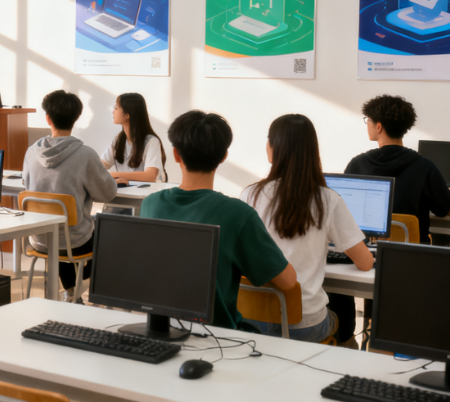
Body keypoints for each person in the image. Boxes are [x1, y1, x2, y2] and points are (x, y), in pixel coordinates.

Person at [140, 110, 297, 331]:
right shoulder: (238, 214)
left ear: (175, 154)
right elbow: (288, 281)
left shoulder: (150, 204)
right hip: (217, 335)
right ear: (224, 156)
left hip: (160, 327)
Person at [240, 114, 374, 343]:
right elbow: (366, 263)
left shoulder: (249, 194)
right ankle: (347, 355)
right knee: (342, 316)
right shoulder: (327, 199)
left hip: (253, 319)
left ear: (272, 148)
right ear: (312, 151)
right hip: (304, 325)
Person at [329, 94, 450, 344]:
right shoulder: (424, 166)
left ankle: (351, 335)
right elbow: (443, 209)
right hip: (408, 263)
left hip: (360, 257)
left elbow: (341, 214)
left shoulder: (358, 164)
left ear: (379, 126)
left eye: (368, 120)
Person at [22, 90, 118, 302]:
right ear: (76, 119)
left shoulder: (31, 152)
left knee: (60, 228)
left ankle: (72, 291)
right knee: (102, 233)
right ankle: (81, 289)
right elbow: (108, 193)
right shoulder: (85, 154)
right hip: (74, 241)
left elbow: (26, 184)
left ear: (48, 118)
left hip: (38, 239)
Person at [101, 93, 167, 183]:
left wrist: (113, 174)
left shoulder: (151, 141)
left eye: (116, 108)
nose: (113, 111)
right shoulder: (118, 140)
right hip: (125, 190)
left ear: (127, 115)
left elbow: (150, 176)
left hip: (147, 191)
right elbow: (99, 167)